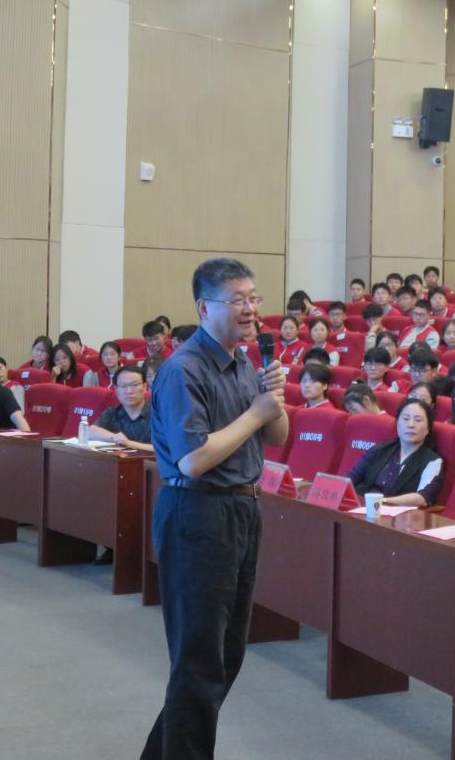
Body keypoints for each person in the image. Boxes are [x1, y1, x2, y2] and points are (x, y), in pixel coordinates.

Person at [141, 259, 287, 760]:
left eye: (254, 298)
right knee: (199, 662)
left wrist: (273, 400)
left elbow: (276, 435)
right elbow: (194, 459)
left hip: (242, 511)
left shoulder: (244, 362)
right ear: (205, 308)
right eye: (237, 300)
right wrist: (256, 412)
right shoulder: (183, 370)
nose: (250, 309)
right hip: (198, 513)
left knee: (224, 657)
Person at [348, 398, 444, 508]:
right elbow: (351, 477)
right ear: (397, 424)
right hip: (360, 506)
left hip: (394, 513)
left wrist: (380, 501)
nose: (411, 425)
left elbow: (423, 498)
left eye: (418, 420)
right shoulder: (380, 449)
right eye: (406, 419)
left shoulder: (432, 461)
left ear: (428, 429)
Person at [88, 366, 153, 451]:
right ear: (116, 389)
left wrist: (129, 443)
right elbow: (90, 432)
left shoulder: (158, 414)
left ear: (144, 387)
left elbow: (165, 448)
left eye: (134, 385)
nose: (129, 391)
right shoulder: (112, 412)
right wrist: (114, 437)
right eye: (123, 386)